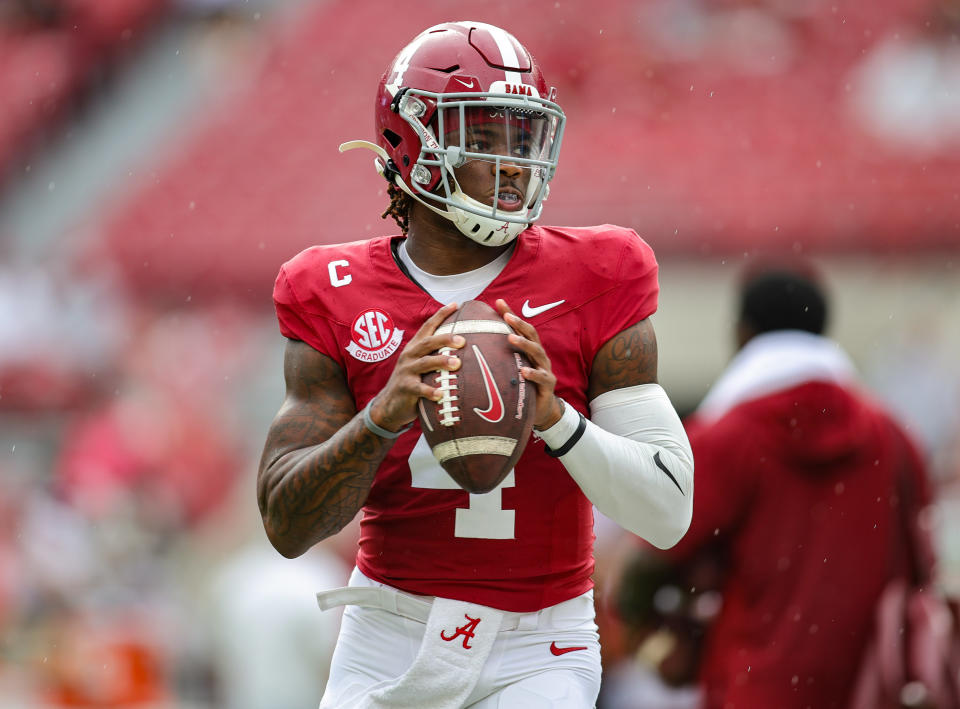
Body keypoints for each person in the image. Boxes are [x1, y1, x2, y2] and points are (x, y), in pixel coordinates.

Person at [256, 21, 694, 709]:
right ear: (412, 145)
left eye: (522, 137)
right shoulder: (330, 287)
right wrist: (380, 419)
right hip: (387, 635)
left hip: (539, 646)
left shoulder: (600, 271)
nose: (515, 163)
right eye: (483, 138)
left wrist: (557, 421)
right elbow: (287, 524)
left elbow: (669, 511)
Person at [665, 262, 937, 709]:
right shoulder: (895, 436)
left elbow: (658, 547)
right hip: (872, 686)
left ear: (742, 335)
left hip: (750, 686)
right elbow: (922, 565)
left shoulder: (724, 437)